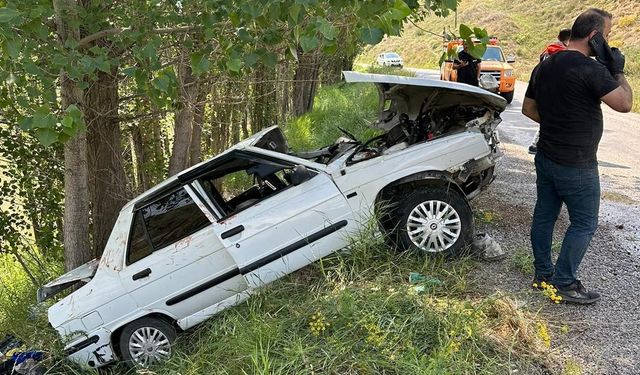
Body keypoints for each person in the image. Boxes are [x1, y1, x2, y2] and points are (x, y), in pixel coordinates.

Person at [522, 8, 632, 304]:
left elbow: (528, 110)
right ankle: (564, 282)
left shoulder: (544, 65)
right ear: (595, 38)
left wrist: (557, 122)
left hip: (546, 157)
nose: (608, 44)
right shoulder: (591, 69)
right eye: (607, 37)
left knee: (544, 215)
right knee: (584, 223)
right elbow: (624, 104)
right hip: (578, 165)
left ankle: (543, 274)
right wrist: (617, 69)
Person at [529, 28, 572, 154]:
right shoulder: (565, 53)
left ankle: (536, 144)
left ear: (558, 37)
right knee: (555, 117)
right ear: (570, 39)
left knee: (546, 115)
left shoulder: (547, 50)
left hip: (542, 87)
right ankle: (536, 144)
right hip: (556, 90)